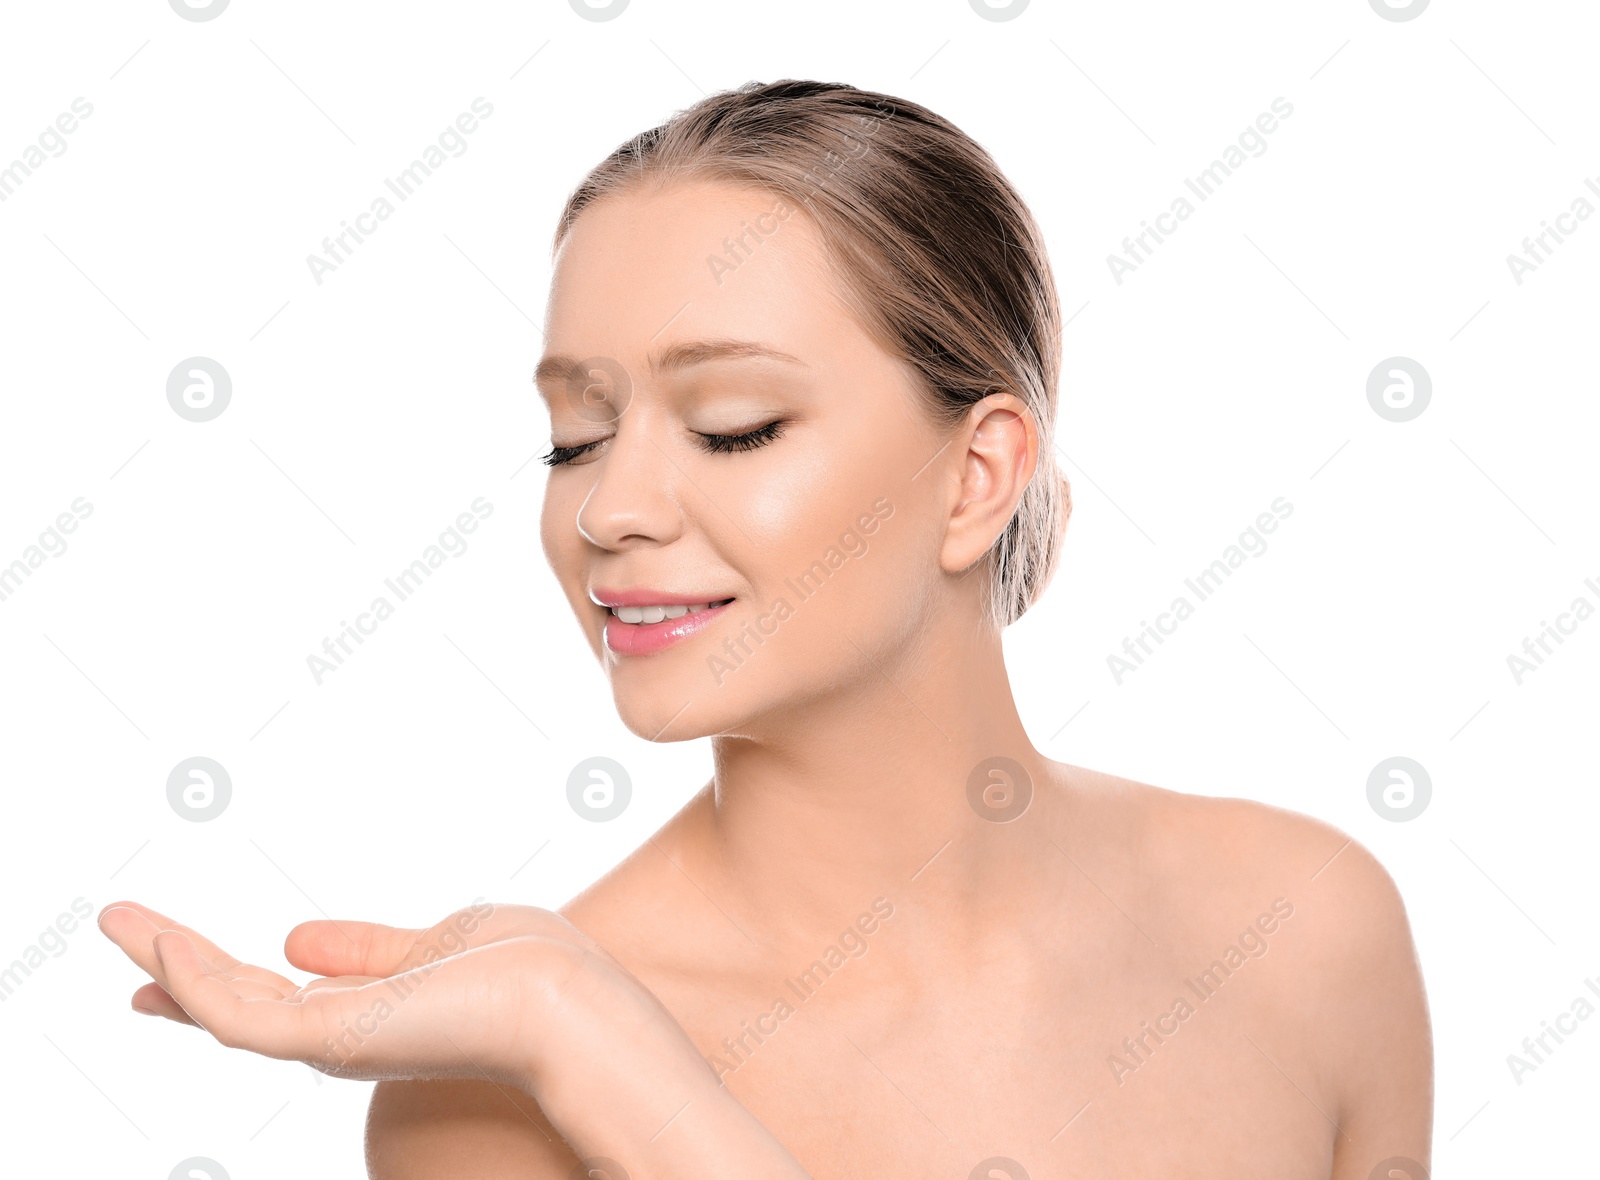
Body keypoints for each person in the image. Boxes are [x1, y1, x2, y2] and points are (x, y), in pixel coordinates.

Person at [100, 80, 1432, 1178]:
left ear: (975, 478)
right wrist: (576, 1040)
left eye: (733, 424)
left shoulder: (1306, 932)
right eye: (574, 438)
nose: (611, 507)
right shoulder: (484, 1109)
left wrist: (616, 1070)